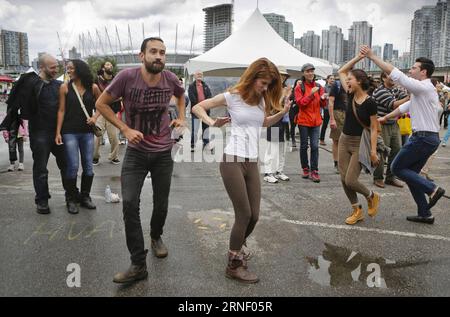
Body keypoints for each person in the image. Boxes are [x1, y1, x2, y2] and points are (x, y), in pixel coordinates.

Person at [95, 37, 186, 284]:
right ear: (141, 55)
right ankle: (138, 264)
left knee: (162, 203)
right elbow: (101, 104)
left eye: (163, 53)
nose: (159, 56)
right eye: (153, 52)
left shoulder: (170, 78)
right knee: (129, 203)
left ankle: (156, 236)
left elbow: (181, 95)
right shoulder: (126, 77)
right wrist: (124, 129)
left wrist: (181, 117)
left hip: (162, 152)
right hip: (135, 153)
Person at [192, 58, 291, 284]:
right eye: (262, 83)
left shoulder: (261, 100)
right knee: (243, 214)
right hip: (232, 160)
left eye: (268, 85)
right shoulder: (233, 96)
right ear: (253, 77)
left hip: (251, 161)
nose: (265, 88)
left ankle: (236, 248)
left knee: (254, 216)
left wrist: (282, 112)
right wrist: (211, 121)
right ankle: (233, 265)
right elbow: (198, 107)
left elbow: (263, 123)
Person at [361, 45, 446, 224]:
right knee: (412, 174)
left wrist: (372, 56)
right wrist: (385, 118)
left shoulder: (423, 86)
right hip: (428, 138)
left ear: (423, 72)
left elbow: (396, 74)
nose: (411, 69)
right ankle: (425, 213)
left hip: (422, 138)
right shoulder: (420, 92)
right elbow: (403, 108)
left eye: (414, 67)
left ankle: (432, 189)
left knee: (396, 168)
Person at [1, 54, 70, 214]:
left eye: (57, 66)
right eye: (52, 67)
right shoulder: (30, 85)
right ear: (42, 67)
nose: (56, 70)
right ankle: (42, 200)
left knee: (66, 166)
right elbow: (16, 103)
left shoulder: (59, 85)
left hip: (59, 132)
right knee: (40, 168)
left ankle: (71, 196)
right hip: (39, 133)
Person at [337, 51, 381, 226]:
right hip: (344, 140)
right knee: (342, 178)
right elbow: (342, 71)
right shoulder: (349, 94)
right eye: (347, 80)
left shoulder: (370, 102)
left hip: (358, 144)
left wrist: (373, 151)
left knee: (350, 180)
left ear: (360, 82)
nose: (347, 81)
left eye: (351, 79)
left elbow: (374, 128)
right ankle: (357, 210)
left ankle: (372, 196)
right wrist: (359, 58)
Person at [56, 60, 101, 214]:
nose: (68, 71)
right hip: (69, 132)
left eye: (71, 68)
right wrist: (58, 132)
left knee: (88, 166)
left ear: (79, 70)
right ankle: (71, 199)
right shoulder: (65, 87)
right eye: (67, 68)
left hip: (87, 132)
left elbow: (101, 105)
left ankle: (85, 197)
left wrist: (95, 118)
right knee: (73, 166)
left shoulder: (93, 87)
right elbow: (61, 110)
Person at [371, 72, 410, 188]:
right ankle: (378, 177)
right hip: (381, 124)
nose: (393, 78)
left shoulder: (395, 90)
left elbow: (404, 97)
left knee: (397, 150)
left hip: (393, 123)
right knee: (382, 151)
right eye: (390, 76)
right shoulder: (380, 91)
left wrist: (409, 94)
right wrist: (409, 97)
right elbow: (393, 105)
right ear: (383, 78)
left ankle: (390, 177)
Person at [294, 63, 327, 183]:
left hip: (316, 121)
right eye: (308, 71)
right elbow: (300, 103)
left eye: (312, 71)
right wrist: (311, 94)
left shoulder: (319, 86)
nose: (310, 73)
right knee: (304, 146)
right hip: (303, 121)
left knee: (314, 146)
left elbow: (322, 105)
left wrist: (324, 99)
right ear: (303, 73)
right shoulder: (299, 87)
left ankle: (314, 170)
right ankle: (305, 168)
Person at [263, 66, 291, 183]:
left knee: (282, 148)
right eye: (280, 75)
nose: (282, 77)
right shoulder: (270, 88)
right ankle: (268, 172)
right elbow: (273, 106)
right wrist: (284, 96)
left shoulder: (286, 88)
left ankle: (279, 171)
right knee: (272, 148)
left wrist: (287, 96)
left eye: (284, 75)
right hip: (274, 120)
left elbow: (289, 106)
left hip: (285, 121)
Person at [93, 61, 121, 165]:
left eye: (111, 65)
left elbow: (120, 94)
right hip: (100, 112)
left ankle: (114, 157)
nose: (110, 66)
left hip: (112, 112)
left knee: (114, 137)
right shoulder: (97, 81)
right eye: (107, 65)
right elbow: (96, 96)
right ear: (103, 68)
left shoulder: (116, 80)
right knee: (97, 136)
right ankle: (95, 157)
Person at [188, 70, 212, 152]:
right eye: (198, 74)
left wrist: (205, 105)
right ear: (194, 76)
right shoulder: (191, 86)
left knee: (206, 129)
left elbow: (209, 96)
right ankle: (192, 145)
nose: (199, 75)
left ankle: (206, 144)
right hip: (196, 111)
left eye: (201, 74)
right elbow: (192, 98)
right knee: (195, 129)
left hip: (205, 111)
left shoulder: (205, 85)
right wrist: (200, 106)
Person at [328, 78, 347, 174]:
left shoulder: (354, 82)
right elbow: (330, 102)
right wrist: (332, 119)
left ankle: (345, 162)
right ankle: (337, 163)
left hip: (349, 113)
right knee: (337, 140)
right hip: (338, 112)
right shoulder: (337, 84)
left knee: (347, 139)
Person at [319, 75, 334, 145]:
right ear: (327, 80)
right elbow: (322, 97)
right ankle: (321, 139)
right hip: (327, 108)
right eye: (331, 79)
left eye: (333, 79)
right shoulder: (324, 88)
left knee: (334, 124)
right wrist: (329, 96)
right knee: (325, 124)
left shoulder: (336, 87)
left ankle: (335, 139)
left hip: (334, 108)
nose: (332, 80)